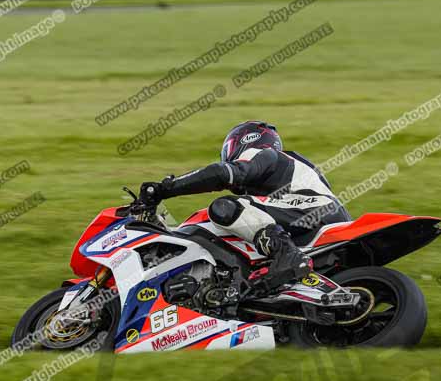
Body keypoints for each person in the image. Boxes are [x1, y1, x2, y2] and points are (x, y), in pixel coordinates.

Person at [140, 121, 351, 290]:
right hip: (315, 216)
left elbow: (221, 174)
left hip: (316, 210)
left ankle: (288, 255)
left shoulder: (263, 153)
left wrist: (166, 189)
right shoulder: (279, 179)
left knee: (225, 207)